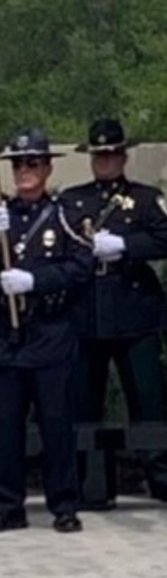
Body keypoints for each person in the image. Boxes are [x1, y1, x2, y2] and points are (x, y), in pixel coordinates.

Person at [60, 119, 167, 508]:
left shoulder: (145, 198)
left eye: (112, 153)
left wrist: (125, 245)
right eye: (99, 155)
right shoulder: (72, 200)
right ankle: (86, 480)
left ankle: (159, 475)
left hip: (133, 309)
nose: (106, 161)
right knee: (83, 401)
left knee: (147, 400)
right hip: (87, 309)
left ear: (124, 155)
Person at [0, 129, 93, 532]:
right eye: (18, 164)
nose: (24, 171)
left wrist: (34, 281)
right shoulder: (2, 216)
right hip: (8, 335)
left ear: (47, 167)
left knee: (57, 425)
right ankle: (8, 506)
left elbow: (81, 266)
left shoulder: (64, 214)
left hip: (50, 331)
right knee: (6, 428)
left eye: (32, 163)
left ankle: (64, 505)